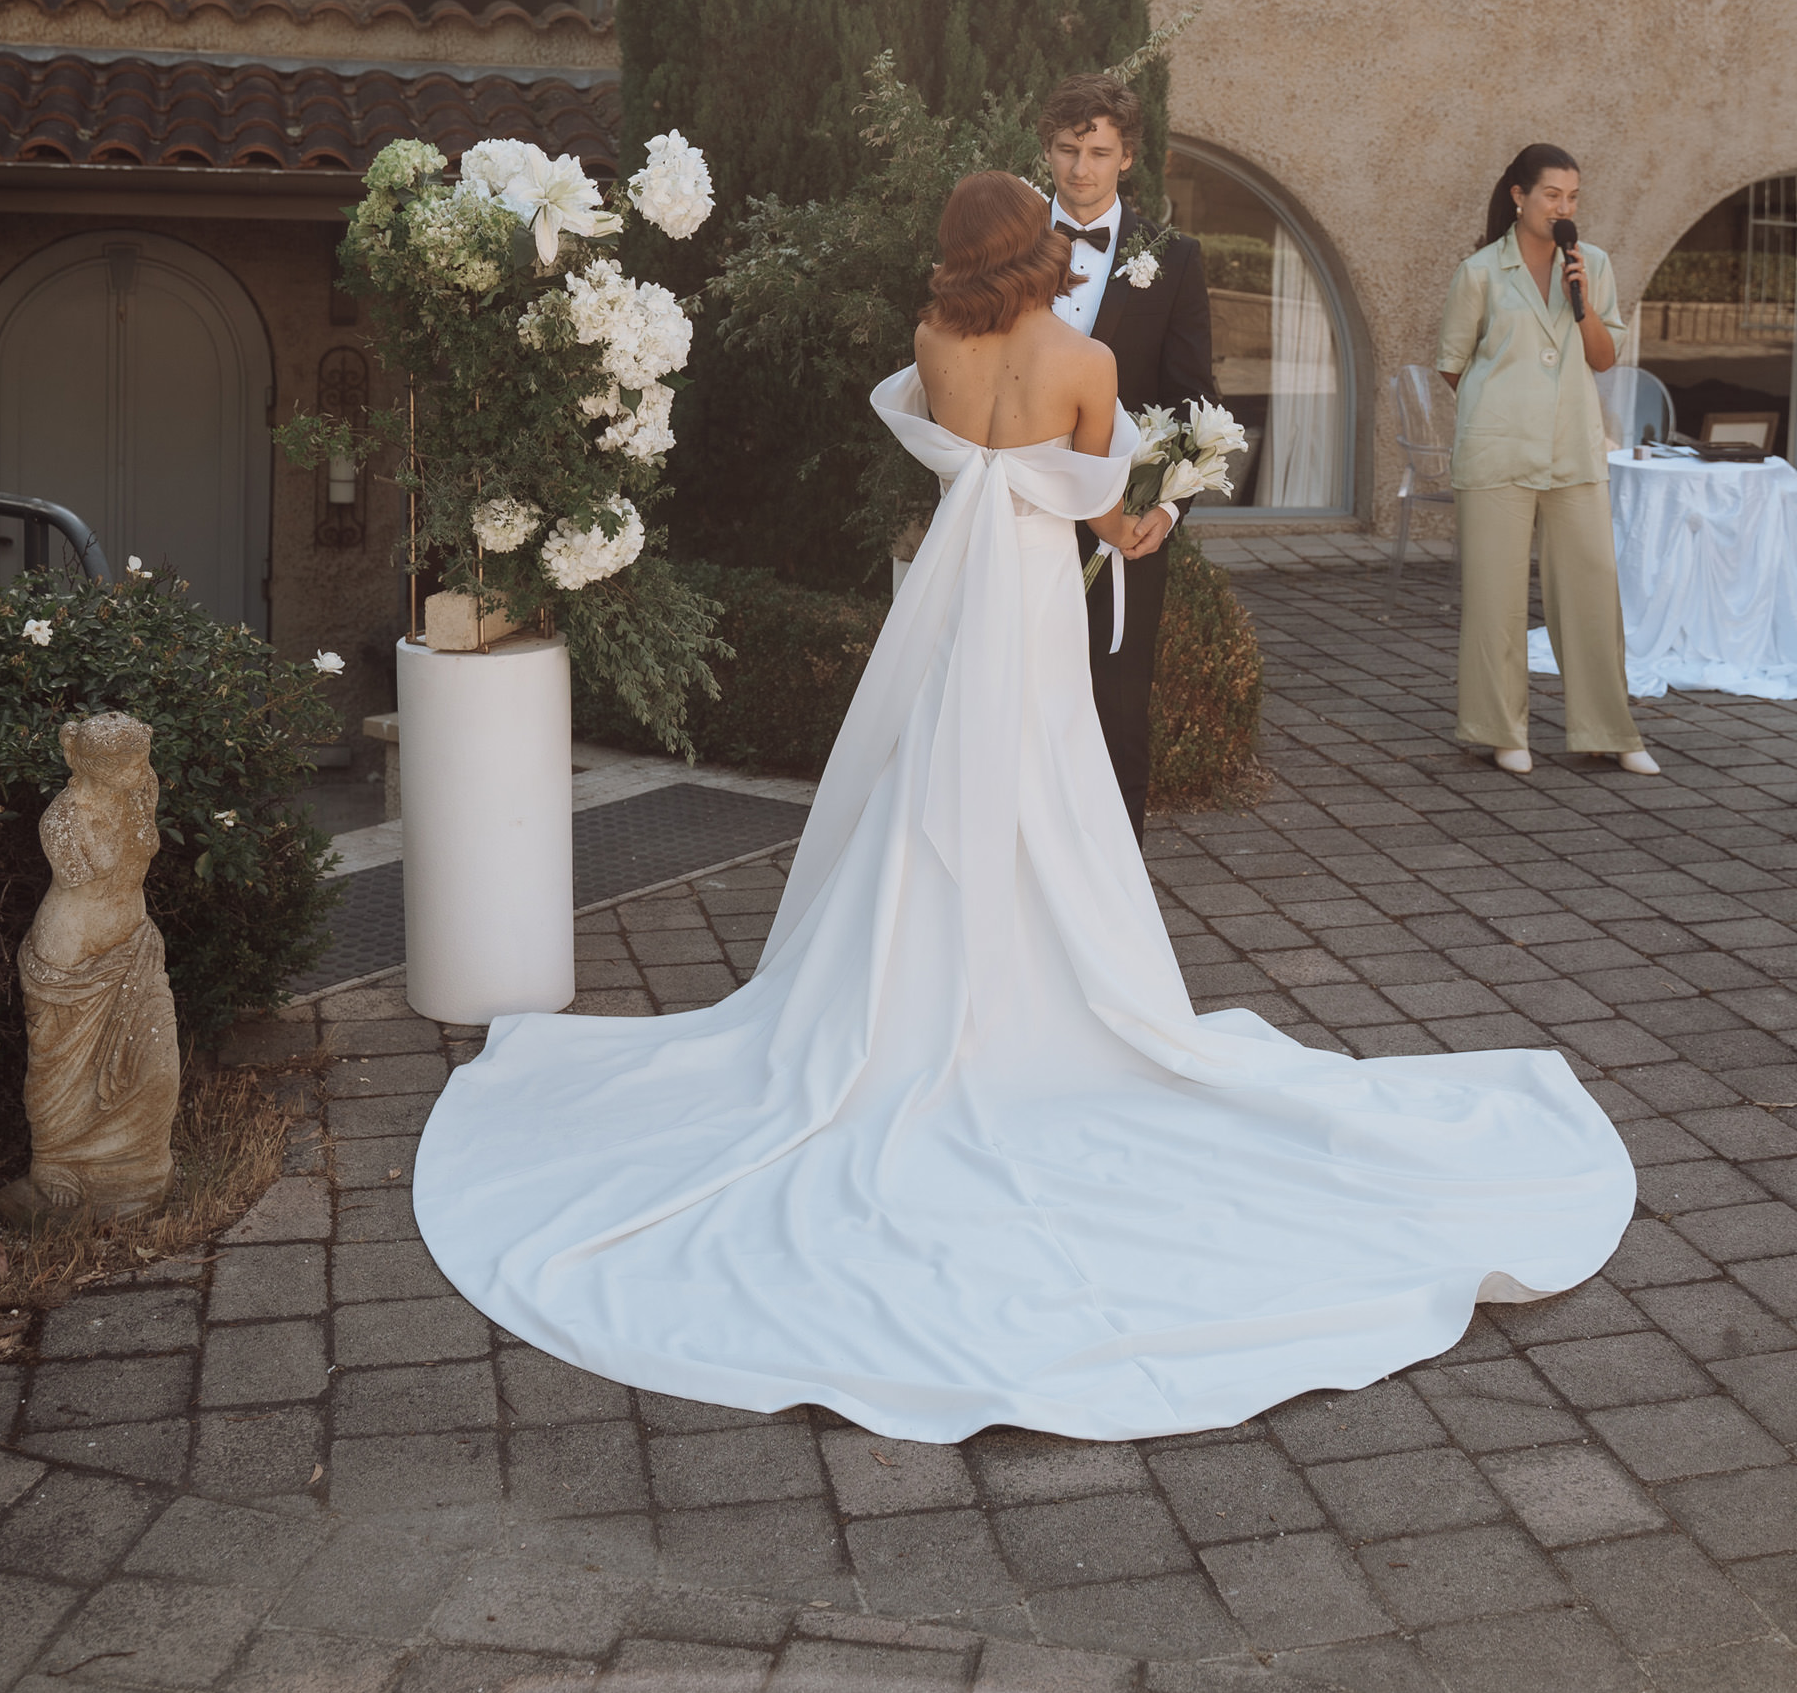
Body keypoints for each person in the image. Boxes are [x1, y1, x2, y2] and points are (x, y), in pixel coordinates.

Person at [412, 169, 1637, 1442]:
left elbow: (956, 451)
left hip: (955, 586)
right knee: (1042, 771)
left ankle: (911, 981)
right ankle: (1038, 986)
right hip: (1032, 589)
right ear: (1036, 245)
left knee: (934, 764)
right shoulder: (1085, 360)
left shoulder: (933, 341)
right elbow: (1100, 507)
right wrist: (1150, 518)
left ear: (958, 250)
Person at [1436, 143, 1658, 779]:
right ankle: (1498, 730)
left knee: (1593, 596)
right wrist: (1504, 408)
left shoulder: (1593, 266)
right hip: (1498, 452)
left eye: (1573, 197)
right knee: (1495, 601)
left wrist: (1579, 298)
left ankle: (1607, 731)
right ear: (1520, 196)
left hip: (1574, 451)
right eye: (1552, 195)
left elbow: (1603, 358)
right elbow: (1452, 365)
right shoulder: (1479, 272)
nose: (1564, 207)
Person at [1039, 71, 1216, 841]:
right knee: (1018, 697)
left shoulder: (1174, 259)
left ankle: (1117, 885)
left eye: (1099, 152)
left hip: (1123, 521)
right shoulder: (1008, 241)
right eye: (1067, 149)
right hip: (1020, 512)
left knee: (1116, 705)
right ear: (1047, 150)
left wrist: (1165, 508)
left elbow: (1193, 400)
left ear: (1128, 157)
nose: (1081, 168)